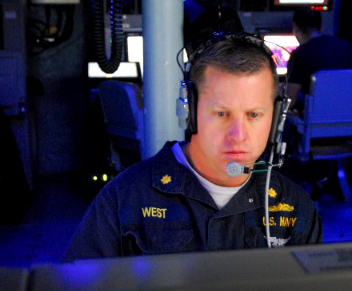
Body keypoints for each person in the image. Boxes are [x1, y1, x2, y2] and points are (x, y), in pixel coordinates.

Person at [63, 34, 322, 261]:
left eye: (254, 115)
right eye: (221, 114)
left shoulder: (295, 207)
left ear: (277, 118)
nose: (238, 135)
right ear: (189, 111)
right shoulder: (123, 199)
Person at [286, 7, 352, 111]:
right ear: (321, 27)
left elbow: (290, 100)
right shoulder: (345, 46)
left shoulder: (299, 54)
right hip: (350, 117)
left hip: (315, 121)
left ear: (295, 28)